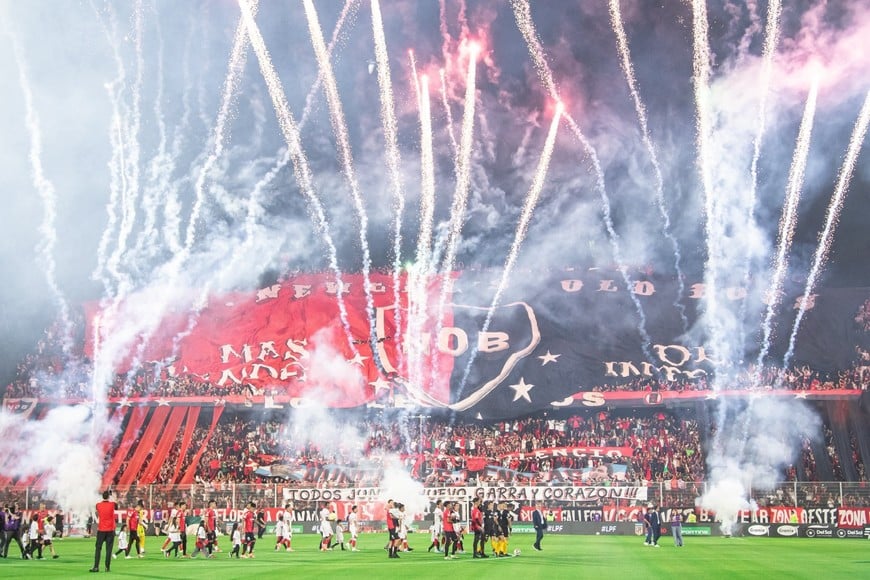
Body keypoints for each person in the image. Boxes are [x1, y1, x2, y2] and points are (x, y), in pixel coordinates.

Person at [90, 490, 116, 573]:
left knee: (98, 548)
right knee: (109, 549)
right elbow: (116, 504)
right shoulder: (112, 504)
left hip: (101, 530)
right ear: (108, 496)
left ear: (102, 497)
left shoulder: (98, 505)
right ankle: (107, 567)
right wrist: (112, 495)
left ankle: (96, 567)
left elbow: (97, 508)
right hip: (110, 530)